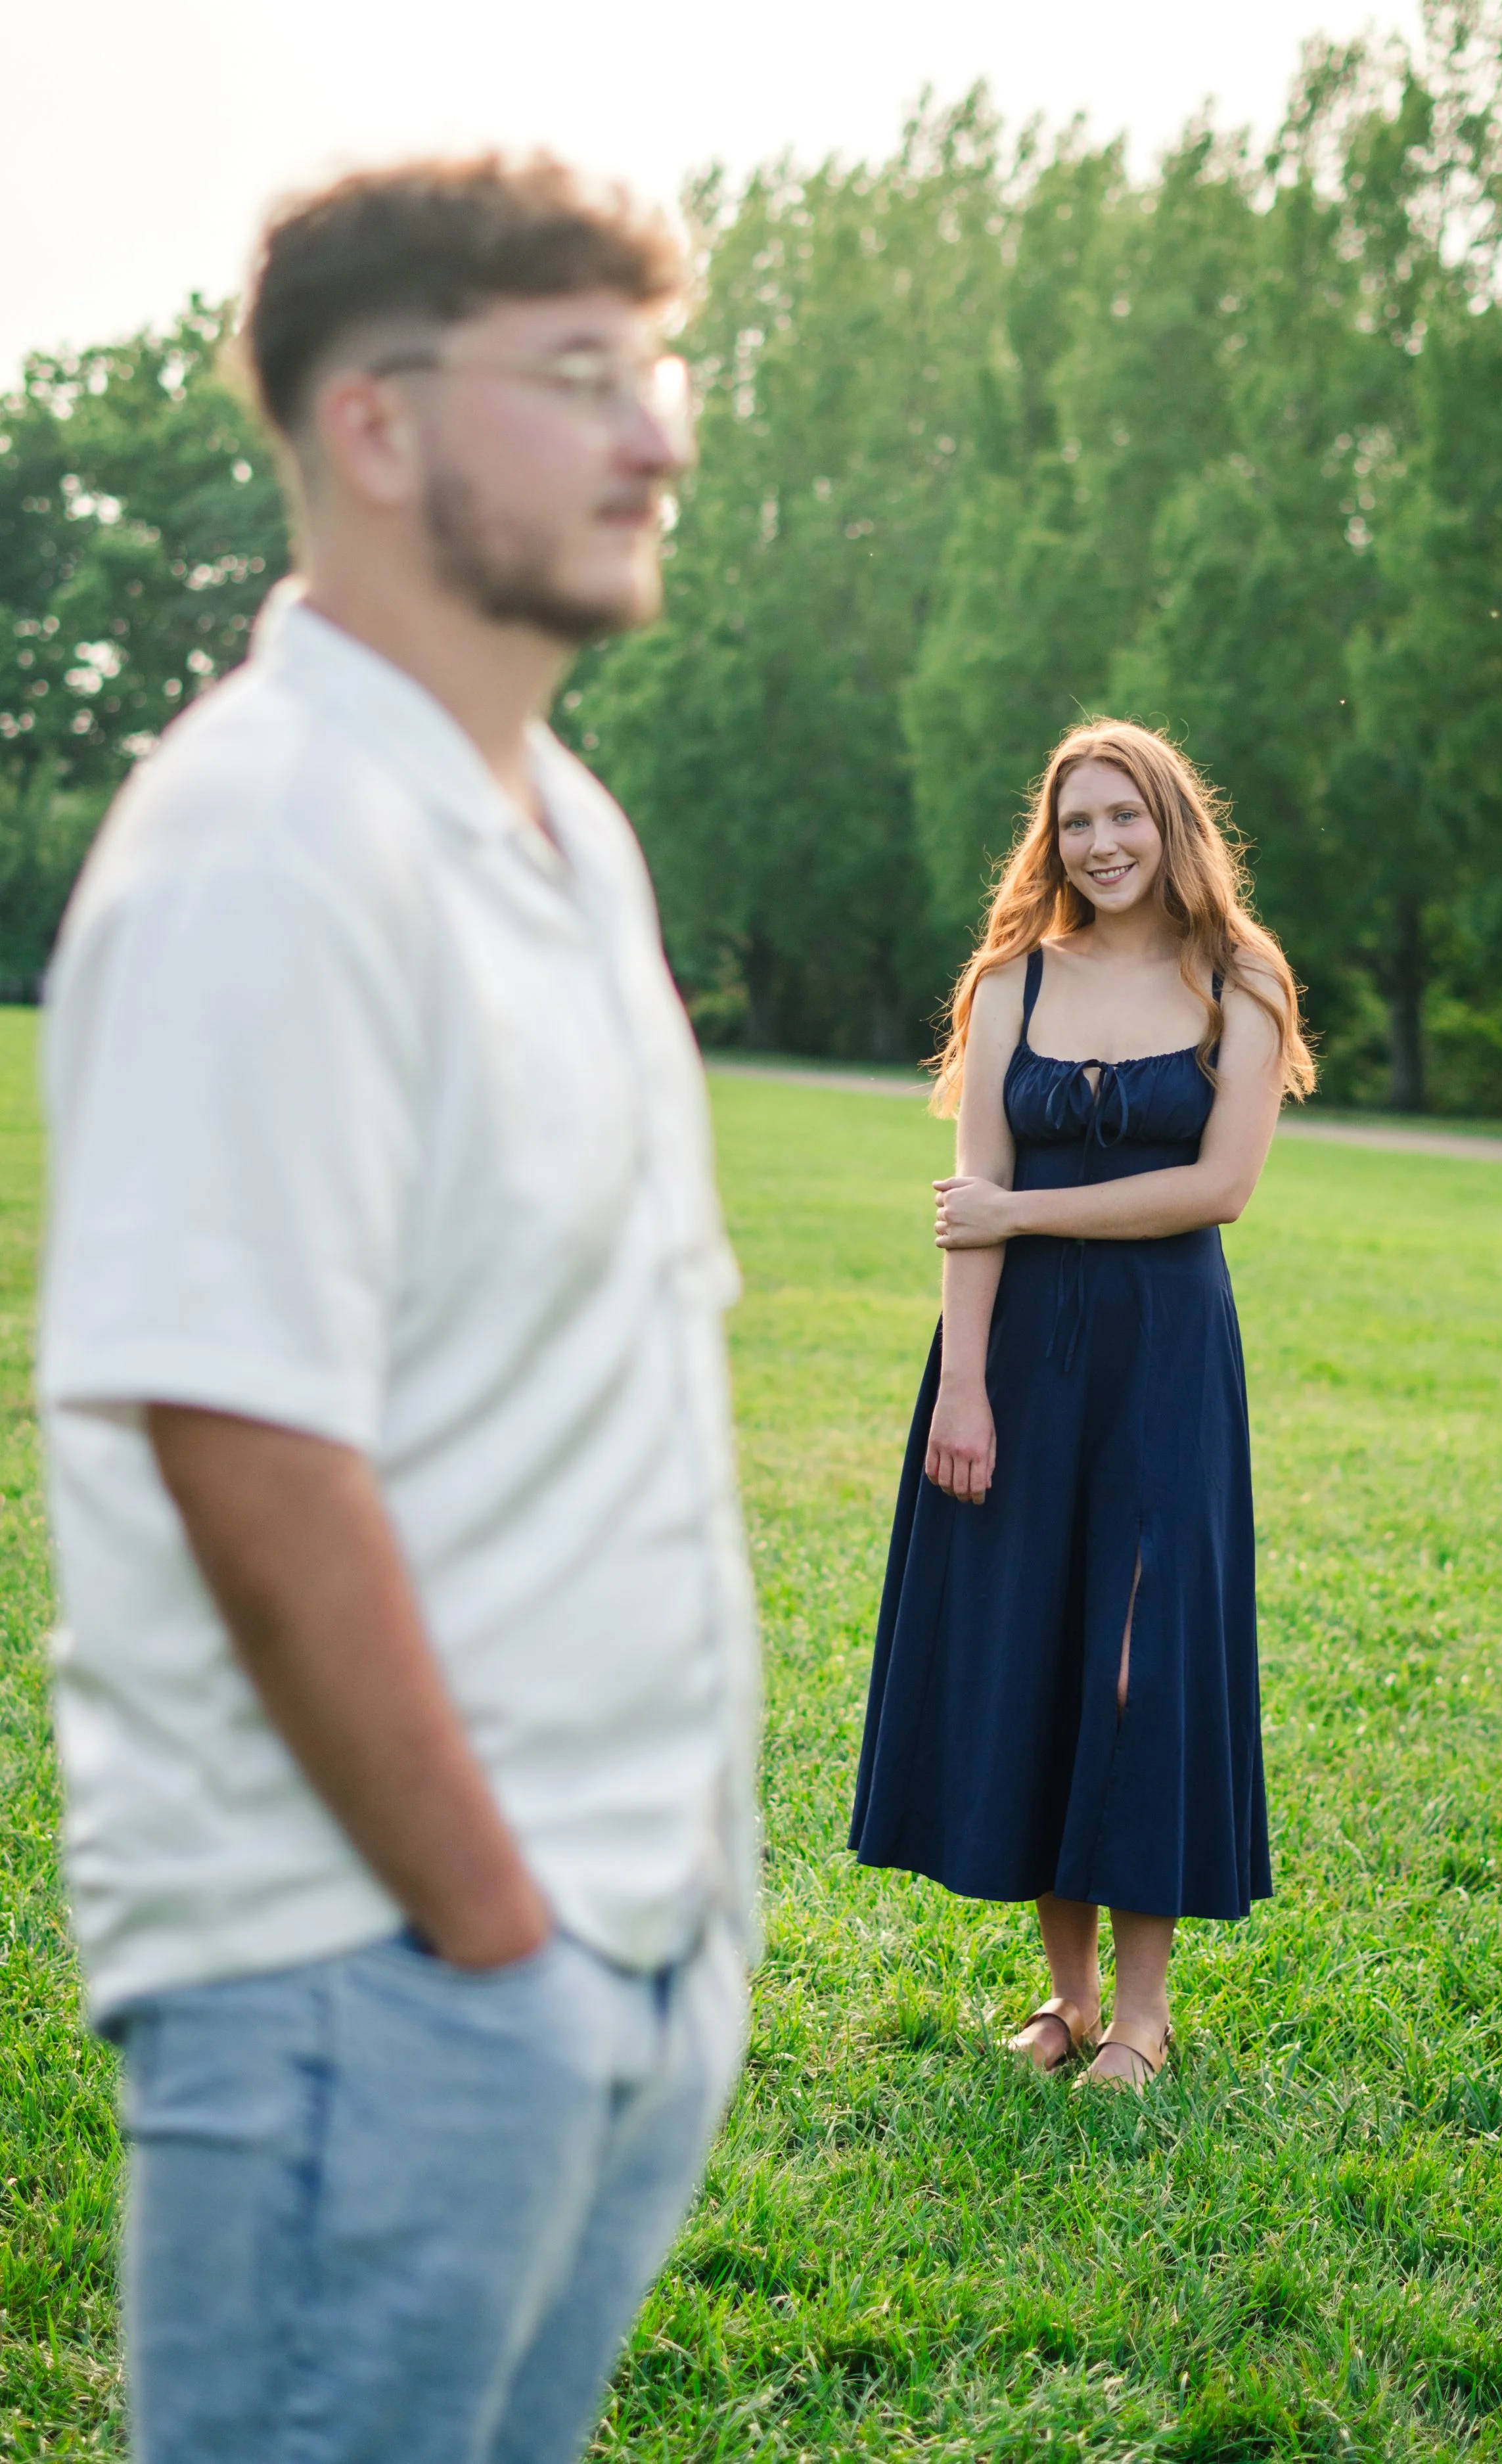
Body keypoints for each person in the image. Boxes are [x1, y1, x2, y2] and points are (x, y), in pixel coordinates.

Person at [38, 156, 758, 2464]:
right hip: (375, 1984)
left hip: (615, 1946)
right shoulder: (269, 838)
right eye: (581, 377)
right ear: (371, 424)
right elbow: (242, 1435)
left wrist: (649, 1941)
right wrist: (491, 1938)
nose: (659, 436)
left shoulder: (561, 822)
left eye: (659, 373)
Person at [849, 719, 1313, 2088]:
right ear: (1047, 841)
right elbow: (966, 1213)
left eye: (1124, 817)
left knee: (1137, 1667)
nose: (1099, 844)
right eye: (1074, 823)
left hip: (1165, 1362)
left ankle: (1144, 2019)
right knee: (1040, 1652)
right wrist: (966, 1391)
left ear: (1174, 824)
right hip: (1015, 1366)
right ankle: (1062, 2004)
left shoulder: (1239, 976)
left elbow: (1216, 1188)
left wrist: (1024, 1208)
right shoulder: (1011, 981)